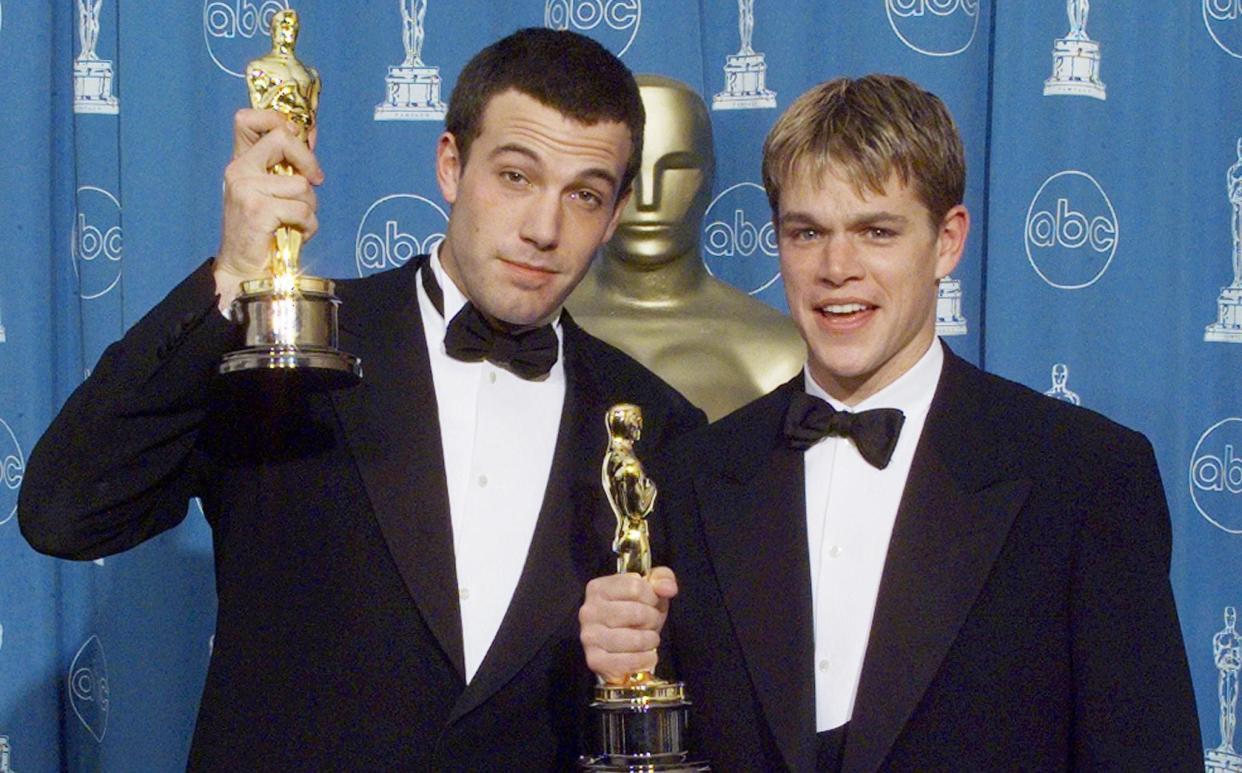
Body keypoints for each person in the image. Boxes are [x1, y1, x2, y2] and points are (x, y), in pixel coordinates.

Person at [20, 28, 703, 770]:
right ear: (450, 165)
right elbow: (65, 511)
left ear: (616, 210)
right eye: (515, 176)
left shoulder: (655, 425)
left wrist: (639, 659)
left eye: (584, 194)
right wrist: (231, 278)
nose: (543, 228)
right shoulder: (287, 346)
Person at [579, 74, 1202, 771]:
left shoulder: (1082, 475)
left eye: (876, 231)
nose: (836, 268)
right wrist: (615, 669)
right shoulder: (693, 475)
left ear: (947, 241)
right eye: (807, 232)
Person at [567, 74, 804, 421]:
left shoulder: (783, 351)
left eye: (677, 168)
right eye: (629, 171)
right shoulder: (534, 337)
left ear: (711, 179)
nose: (648, 199)